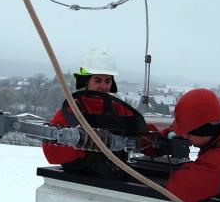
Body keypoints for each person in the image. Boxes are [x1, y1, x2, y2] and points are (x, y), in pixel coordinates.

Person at [42, 48, 151, 179]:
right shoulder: (73, 111)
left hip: (115, 181)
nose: (104, 86)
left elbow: (143, 132)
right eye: (98, 80)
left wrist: (168, 136)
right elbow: (52, 152)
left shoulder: (118, 110)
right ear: (87, 80)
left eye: (108, 81)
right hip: (81, 183)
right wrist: (85, 143)